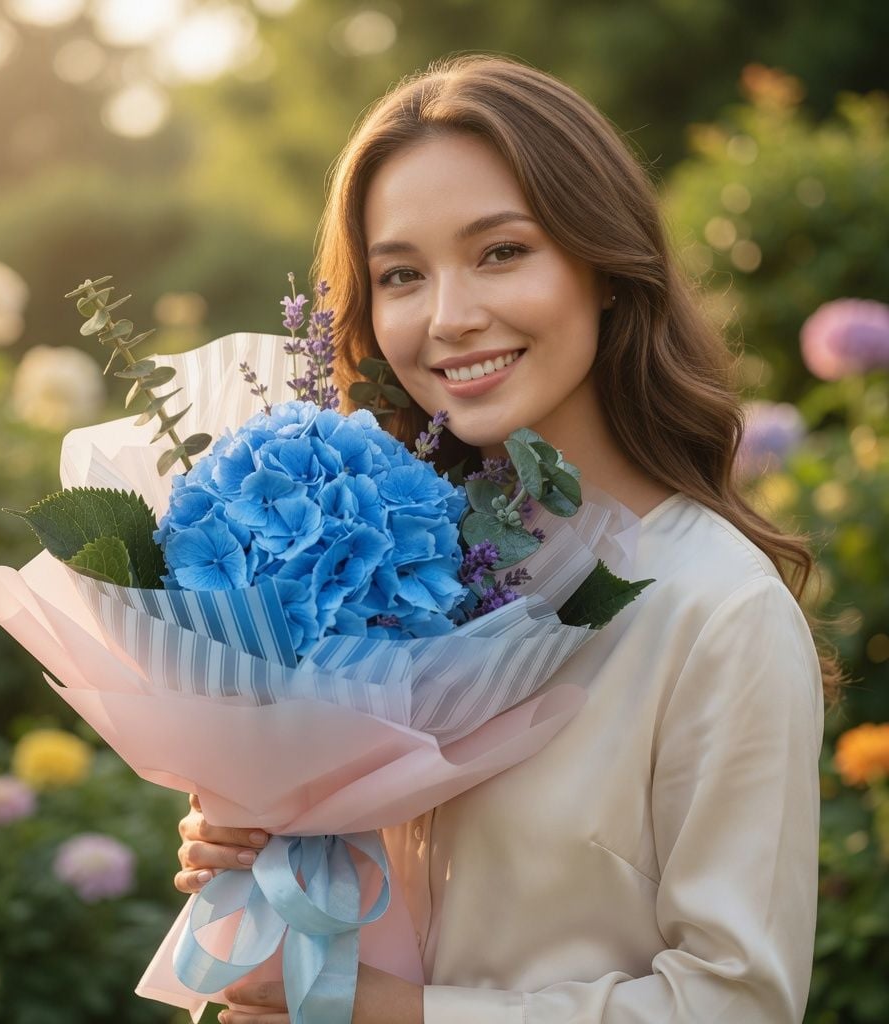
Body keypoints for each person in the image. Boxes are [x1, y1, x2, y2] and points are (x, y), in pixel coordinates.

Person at [173, 55, 837, 1023]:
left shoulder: (719, 613)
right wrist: (258, 844)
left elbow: (739, 1003)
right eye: (400, 274)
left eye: (500, 252)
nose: (448, 318)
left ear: (604, 263)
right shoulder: (377, 572)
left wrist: (377, 1006)